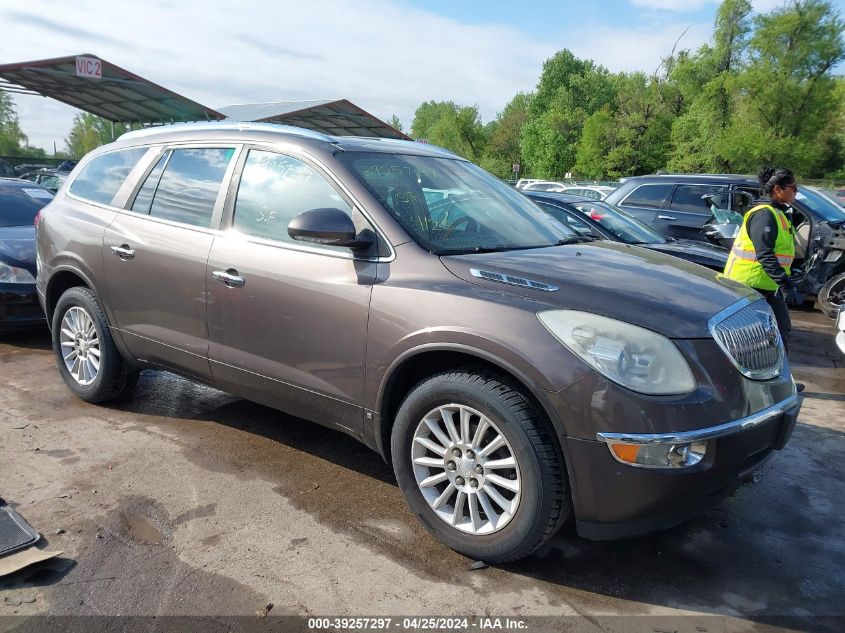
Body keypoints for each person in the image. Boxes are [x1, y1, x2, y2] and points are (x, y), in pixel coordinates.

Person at [723, 167, 804, 391]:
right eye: (793, 188)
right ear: (777, 189)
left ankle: (781, 382)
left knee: (780, 331)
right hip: (747, 285)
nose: (796, 192)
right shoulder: (764, 214)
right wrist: (785, 284)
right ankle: (735, 382)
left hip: (766, 286)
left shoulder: (778, 212)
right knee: (748, 339)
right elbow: (765, 254)